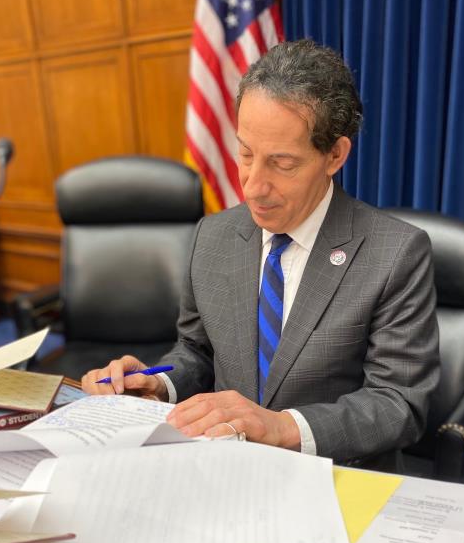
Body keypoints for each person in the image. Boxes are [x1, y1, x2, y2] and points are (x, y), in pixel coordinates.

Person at [82, 39, 439, 468]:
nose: (253, 186)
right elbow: (197, 351)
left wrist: (282, 427)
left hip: (334, 475)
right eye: (246, 154)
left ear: (335, 155)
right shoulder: (212, 236)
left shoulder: (395, 253)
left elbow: (399, 403)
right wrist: (158, 384)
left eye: (282, 164)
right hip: (223, 467)